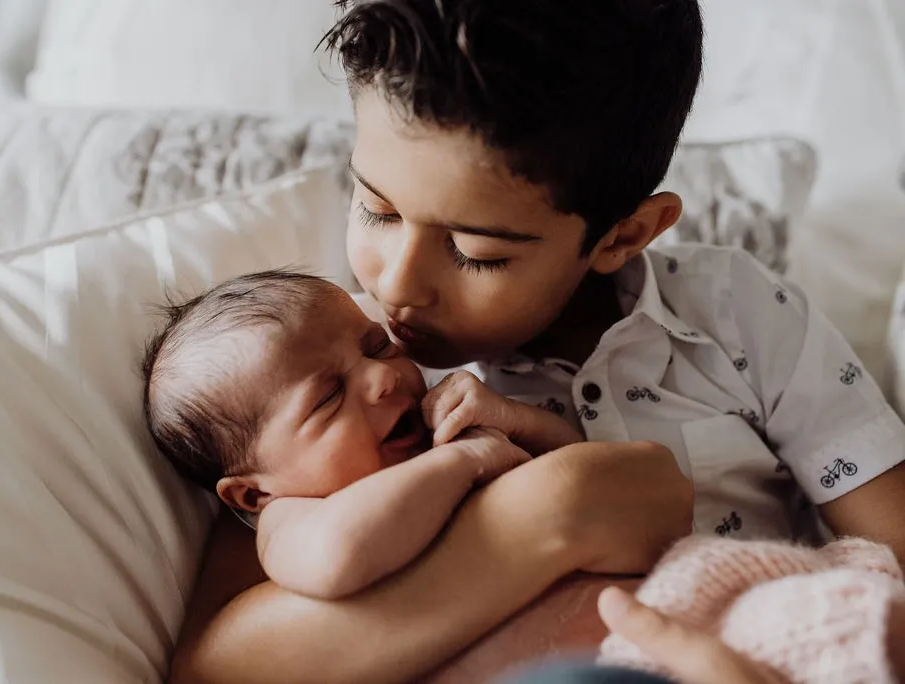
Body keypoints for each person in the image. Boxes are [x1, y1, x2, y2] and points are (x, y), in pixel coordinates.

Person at [164, 2, 905, 682]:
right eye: (376, 209)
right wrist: (552, 511)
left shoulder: (743, 316)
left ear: (625, 235)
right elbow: (221, 667)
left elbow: (890, 560)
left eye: (476, 252)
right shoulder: (329, 363)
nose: (398, 286)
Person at [143, 270, 579, 600]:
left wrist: (513, 419)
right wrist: (465, 461)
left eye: (376, 348)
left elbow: (581, 460)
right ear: (253, 494)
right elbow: (338, 558)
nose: (382, 377)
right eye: (329, 396)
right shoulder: (293, 515)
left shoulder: (443, 429)